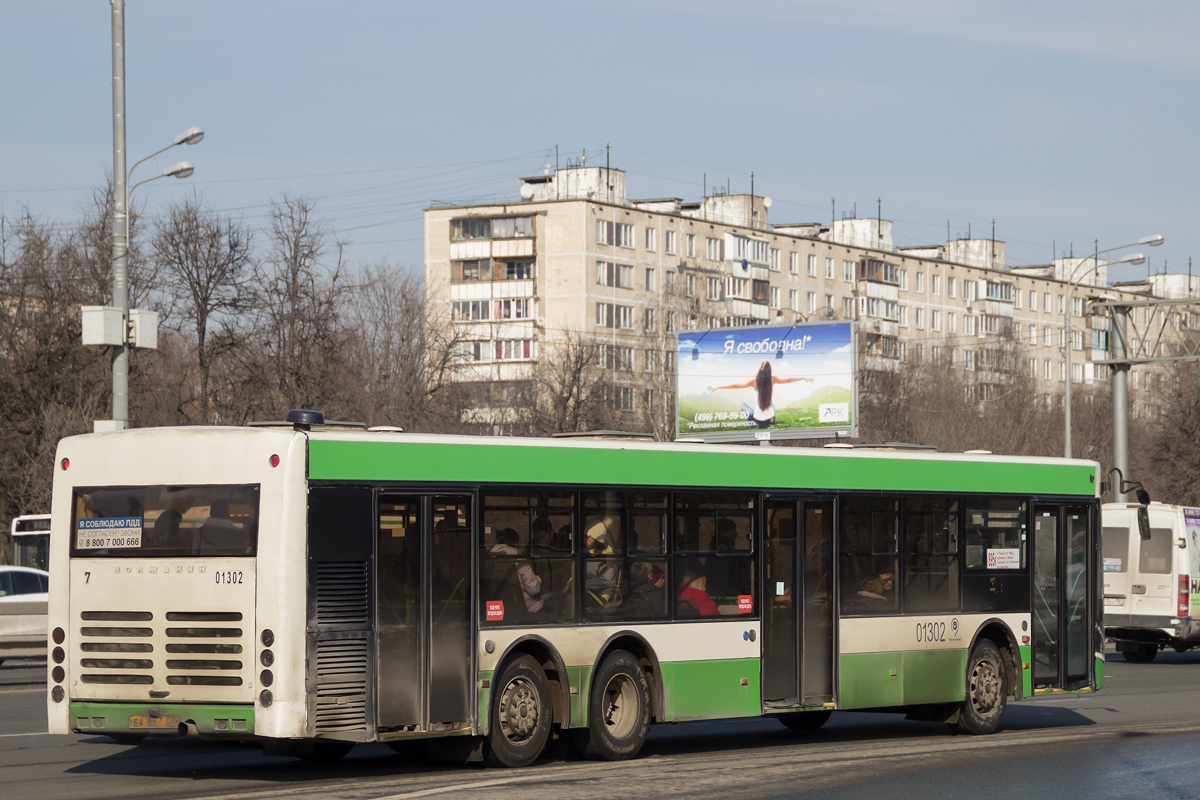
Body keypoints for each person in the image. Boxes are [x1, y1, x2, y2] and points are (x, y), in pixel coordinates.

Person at [707, 361, 813, 428]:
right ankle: (766, 417)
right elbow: (788, 380)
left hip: (758, 421)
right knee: (772, 405)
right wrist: (803, 378)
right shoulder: (773, 379)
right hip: (771, 420)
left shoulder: (754, 381)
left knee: (743, 405)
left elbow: (735, 385)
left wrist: (719, 387)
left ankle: (753, 419)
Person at [489, 528, 544, 613]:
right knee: (552, 602)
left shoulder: (489, 557)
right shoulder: (519, 559)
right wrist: (537, 580)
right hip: (524, 606)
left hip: (498, 607)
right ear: (515, 544)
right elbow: (533, 590)